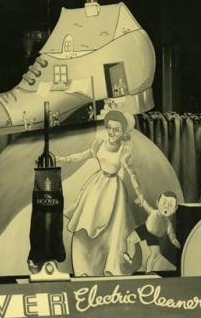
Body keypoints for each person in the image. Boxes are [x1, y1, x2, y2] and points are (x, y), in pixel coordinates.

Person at [56, 110, 144, 276]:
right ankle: (86, 268)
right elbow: (81, 156)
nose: (112, 132)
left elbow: (133, 175)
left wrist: (140, 196)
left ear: (122, 131)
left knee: (115, 229)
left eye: (116, 130)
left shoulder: (125, 150)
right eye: (110, 128)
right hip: (96, 187)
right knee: (86, 225)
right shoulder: (99, 144)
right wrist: (61, 159)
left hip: (114, 190)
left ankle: (111, 267)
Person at [123, 191, 181, 273]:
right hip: (144, 230)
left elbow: (171, 233)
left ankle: (148, 271)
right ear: (157, 203)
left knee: (155, 255)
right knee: (130, 240)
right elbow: (145, 204)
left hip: (154, 237)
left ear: (175, 208)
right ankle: (129, 256)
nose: (166, 207)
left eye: (170, 205)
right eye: (164, 203)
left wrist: (174, 240)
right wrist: (141, 201)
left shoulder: (168, 223)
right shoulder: (153, 212)